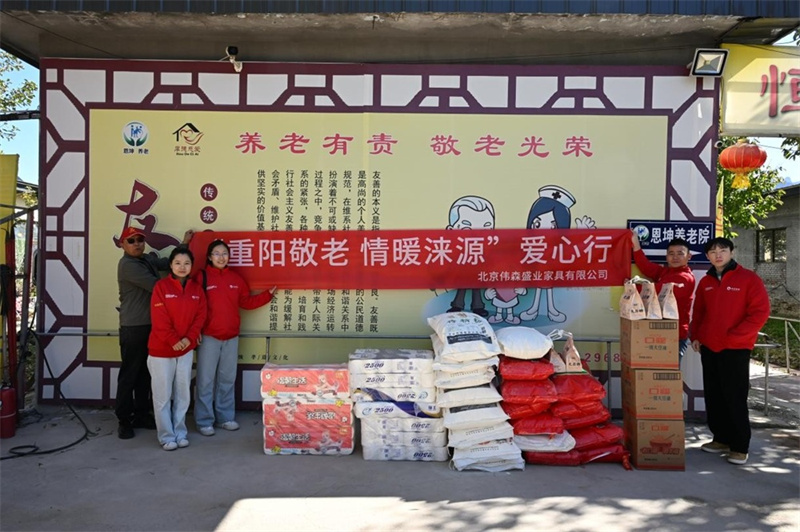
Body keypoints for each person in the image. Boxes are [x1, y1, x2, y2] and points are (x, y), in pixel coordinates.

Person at [690, 237, 770, 466]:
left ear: (732, 252)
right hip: (709, 347)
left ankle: (739, 446)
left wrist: (736, 335)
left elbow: (760, 312)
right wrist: (696, 336)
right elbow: (699, 312)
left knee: (734, 396)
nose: (718, 255)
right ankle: (721, 438)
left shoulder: (748, 279)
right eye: (713, 251)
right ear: (707, 256)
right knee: (714, 395)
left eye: (723, 250)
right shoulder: (706, 281)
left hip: (736, 348)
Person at [115, 226, 193, 439]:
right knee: (130, 375)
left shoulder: (147, 259)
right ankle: (124, 420)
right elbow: (159, 286)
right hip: (134, 327)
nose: (137, 244)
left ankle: (141, 415)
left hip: (152, 327)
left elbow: (168, 263)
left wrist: (184, 245)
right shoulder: (127, 265)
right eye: (131, 241)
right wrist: (187, 285)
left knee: (145, 374)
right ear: (122, 244)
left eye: (140, 240)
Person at [194, 239, 276, 436]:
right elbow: (194, 305)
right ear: (209, 257)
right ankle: (204, 421)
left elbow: (246, 302)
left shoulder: (236, 279)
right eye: (217, 253)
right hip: (208, 337)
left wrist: (267, 295)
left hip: (231, 337)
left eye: (224, 253)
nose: (221, 257)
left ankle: (225, 418)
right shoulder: (202, 277)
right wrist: (194, 330)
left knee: (227, 379)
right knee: (205, 380)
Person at [147, 246, 207, 451]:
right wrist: (173, 340)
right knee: (162, 396)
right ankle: (166, 436)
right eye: (178, 263)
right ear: (171, 265)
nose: (182, 267)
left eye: (187, 263)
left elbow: (200, 316)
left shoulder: (196, 289)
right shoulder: (161, 287)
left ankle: (180, 433)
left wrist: (189, 339)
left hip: (185, 350)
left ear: (191, 266)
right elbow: (159, 318)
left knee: (183, 394)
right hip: (161, 350)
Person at [631, 233, 696, 358]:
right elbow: (646, 266)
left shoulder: (685, 278)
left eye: (680, 253)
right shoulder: (665, 272)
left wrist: (631, 287)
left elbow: (656, 292)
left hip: (674, 336)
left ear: (689, 256)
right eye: (671, 253)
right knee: (653, 368)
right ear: (666, 256)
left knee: (668, 370)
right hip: (657, 332)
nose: (675, 257)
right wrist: (636, 245)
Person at [445, 196, 494, 317]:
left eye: (486, 229)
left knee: (476, 288)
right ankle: (457, 305)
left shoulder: (486, 248)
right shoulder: (457, 248)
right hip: (463, 270)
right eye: (467, 228)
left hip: (477, 270)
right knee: (462, 287)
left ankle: (478, 306)